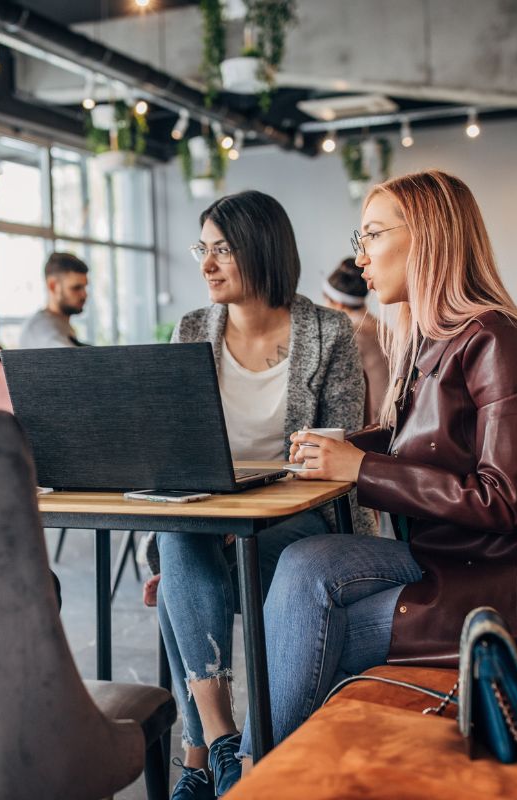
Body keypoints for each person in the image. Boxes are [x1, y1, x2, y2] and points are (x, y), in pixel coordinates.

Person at [235, 170, 517, 770]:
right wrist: (341, 447)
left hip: (505, 575)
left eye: (371, 235)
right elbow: (430, 442)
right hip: (451, 555)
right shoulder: (432, 341)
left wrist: (362, 467)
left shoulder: (498, 342)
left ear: (428, 237)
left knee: (306, 607)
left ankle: (250, 773)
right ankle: (256, 763)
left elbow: (502, 501)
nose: (359, 256)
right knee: (281, 559)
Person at [153, 190, 371, 800]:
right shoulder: (193, 330)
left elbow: (336, 464)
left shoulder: (330, 334)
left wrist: (249, 510)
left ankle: (196, 762)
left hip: (303, 520)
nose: (207, 263)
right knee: (177, 539)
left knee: (180, 575)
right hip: (210, 519)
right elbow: (174, 454)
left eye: (223, 249)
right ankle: (228, 746)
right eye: (204, 248)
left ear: (263, 249)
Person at [322, 258, 389, 425]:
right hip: (394, 417)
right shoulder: (381, 326)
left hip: (372, 424)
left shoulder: (349, 332)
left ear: (337, 303)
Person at [18, 252, 89, 348]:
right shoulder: (41, 330)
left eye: (84, 287)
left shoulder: (61, 325)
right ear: (53, 286)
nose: (84, 295)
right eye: (76, 288)